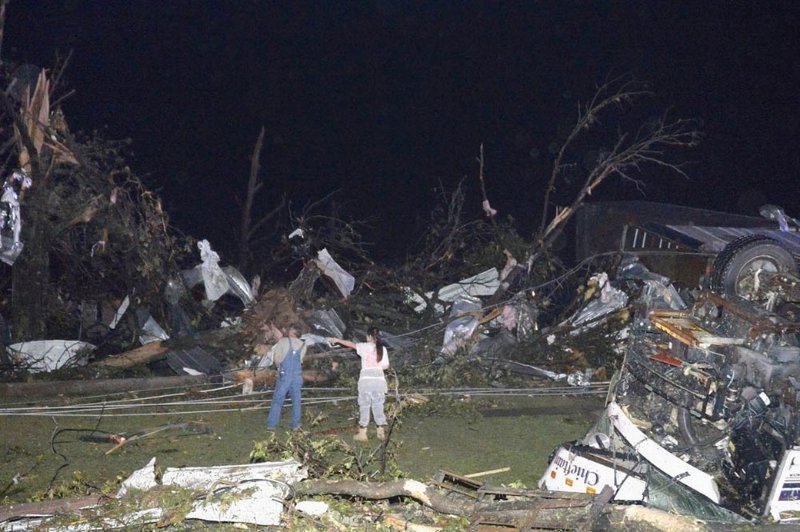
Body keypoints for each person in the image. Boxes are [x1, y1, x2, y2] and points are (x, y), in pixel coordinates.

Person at [328, 327, 390, 442]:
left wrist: (337, 340)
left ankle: (362, 434)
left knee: (364, 406)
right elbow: (385, 366)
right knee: (378, 405)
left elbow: (350, 344)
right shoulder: (383, 349)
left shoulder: (364, 346)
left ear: (370, 336)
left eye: (367, 336)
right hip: (379, 381)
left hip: (365, 381)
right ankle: (380, 431)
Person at [266, 323, 307, 431]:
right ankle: (296, 424)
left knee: (278, 399)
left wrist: (278, 367)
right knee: (296, 400)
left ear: (292, 332)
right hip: (297, 376)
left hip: (285, 375)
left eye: (290, 330)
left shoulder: (283, 341)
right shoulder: (303, 345)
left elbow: (277, 358)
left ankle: (272, 424)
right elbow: (300, 360)